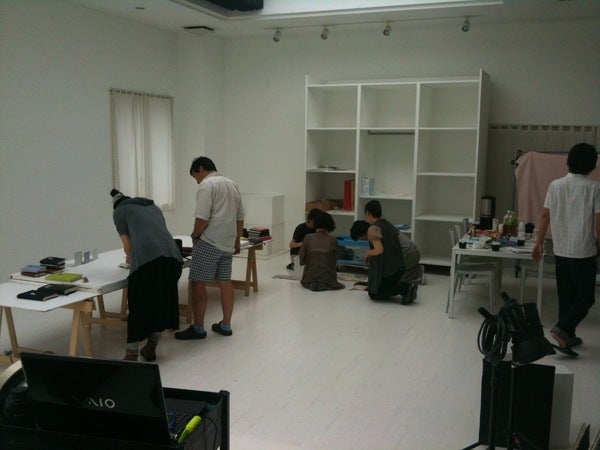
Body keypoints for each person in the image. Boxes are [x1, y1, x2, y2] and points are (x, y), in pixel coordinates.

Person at [532, 142, 600, 352]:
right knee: (586, 297)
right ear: (592, 165)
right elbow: (599, 222)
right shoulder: (594, 188)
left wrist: (539, 243)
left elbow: (545, 215)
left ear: (569, 162)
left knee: (566, 297)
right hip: (584, 251)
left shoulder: (555, 185)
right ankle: (562, 329)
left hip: (561, 250)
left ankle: (567, 337)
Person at [175, 156, 244, 340]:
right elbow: (240, 217)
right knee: (225, 282)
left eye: (195, 176)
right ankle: (226, 325)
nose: (197, 181)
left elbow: (202, 217)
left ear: (201, 169)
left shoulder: (207, 185)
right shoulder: (232, 184)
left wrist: (194, 235)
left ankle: (198, 328)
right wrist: (237, 240)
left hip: (209, 241)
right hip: (227, 243)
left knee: (197, 282)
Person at [110, 189, 183, 362]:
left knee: (138, 305)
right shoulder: (152, 207)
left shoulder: (119, 211)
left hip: (149, 261)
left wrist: (130, 259)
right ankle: (151, 348)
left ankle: (131, 354)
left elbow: (128, 247)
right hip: (173, 258)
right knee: (161, 303)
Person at [362, 200, 418, 304]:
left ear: (368, 213)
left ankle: (404, 288)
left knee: (373, 294)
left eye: (366, 214)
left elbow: (379, 250)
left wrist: (368, 252)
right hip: (400, 267)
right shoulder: (389, 224)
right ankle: (406, 288)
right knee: (380, 287)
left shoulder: (373, 228)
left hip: (390, 271)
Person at [351, 219, 423, 286]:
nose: (365, 240)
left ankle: (417, 274)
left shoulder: (374, 234)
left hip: (409, 254)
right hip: (411, 252)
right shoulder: (377, 228)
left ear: (364, 234)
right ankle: (414, 270)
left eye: (363, 239)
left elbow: (381, 257)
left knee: (390, 282)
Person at [299, 211, 345, 291]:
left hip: (309, 279)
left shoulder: (308, 238)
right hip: (328, 280)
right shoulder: (333, 240)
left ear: (315, 223)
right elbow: (336, 258)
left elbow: (302, 259)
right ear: (330, 224)